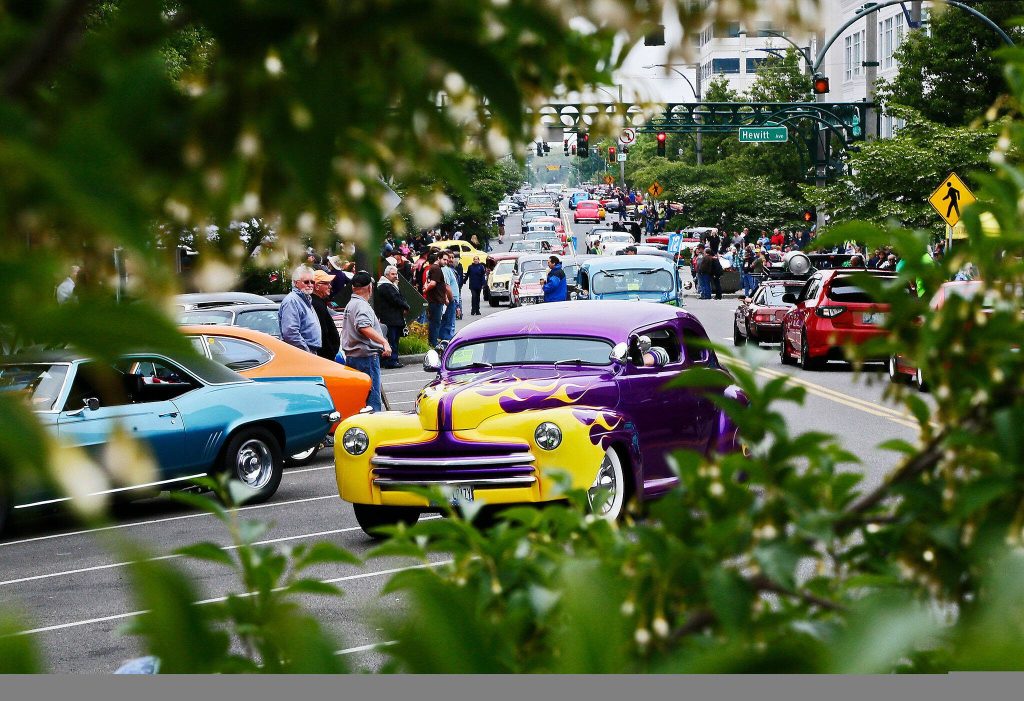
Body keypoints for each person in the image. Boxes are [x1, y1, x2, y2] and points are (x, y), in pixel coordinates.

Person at [342, 272, 392, 412]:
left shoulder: (351, 304)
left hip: (353, 356)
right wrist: (384, 342)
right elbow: (363, 326)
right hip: (366, 357)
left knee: (359, 400)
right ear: (370, 287)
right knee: (371, 402)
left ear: (353, 288)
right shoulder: (361, 306)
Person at [278, 265, 322, 354]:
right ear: (296, 283)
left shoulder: (305, 299)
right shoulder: (292, 301)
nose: (310, 285)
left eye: (312, 282)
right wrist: (306, 351)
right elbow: (290, 333)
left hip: (309, 351)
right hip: (301, 353)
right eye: (306, 282)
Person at [376, 265, 410, 369]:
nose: (395, 276)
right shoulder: (385, 286)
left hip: (394, 318)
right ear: (386, 275)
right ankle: (391, 361)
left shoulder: (391, 285)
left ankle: (393, 360)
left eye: (396, 274)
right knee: (392, 340)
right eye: (393, 274)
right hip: (390, 318)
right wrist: (406, 306)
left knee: (394, 340)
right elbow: (396, 299)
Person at [309, 269, 342, 362]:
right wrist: (330, 352)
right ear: (317, 286)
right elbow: (322, 332)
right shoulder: (316, 304)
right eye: (326, 283)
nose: (330, 286)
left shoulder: (319, 302)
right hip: (324, 356)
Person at [423, 251, 451, 348]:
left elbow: (431, 282)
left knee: (435, 323)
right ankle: (433, 344)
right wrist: (426, 289)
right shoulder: (436, 268)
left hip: (436, 300)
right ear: (438, 258)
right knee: (435, 323)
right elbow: (433, 283)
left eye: (447, 260)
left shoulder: (434, 268)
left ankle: (433, 343)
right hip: (435, 300)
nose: (446, 262)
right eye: (444, 259)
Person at [440, 251, 462, 341]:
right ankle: (446, 344)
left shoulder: (450, 270)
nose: (451, 260)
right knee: (448, 326)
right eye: (448, 258)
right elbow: (446, 286)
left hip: (452, 300)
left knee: (449, 324)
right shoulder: (445, 269)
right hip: (449, 300)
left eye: (452, 258)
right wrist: (451, 301)